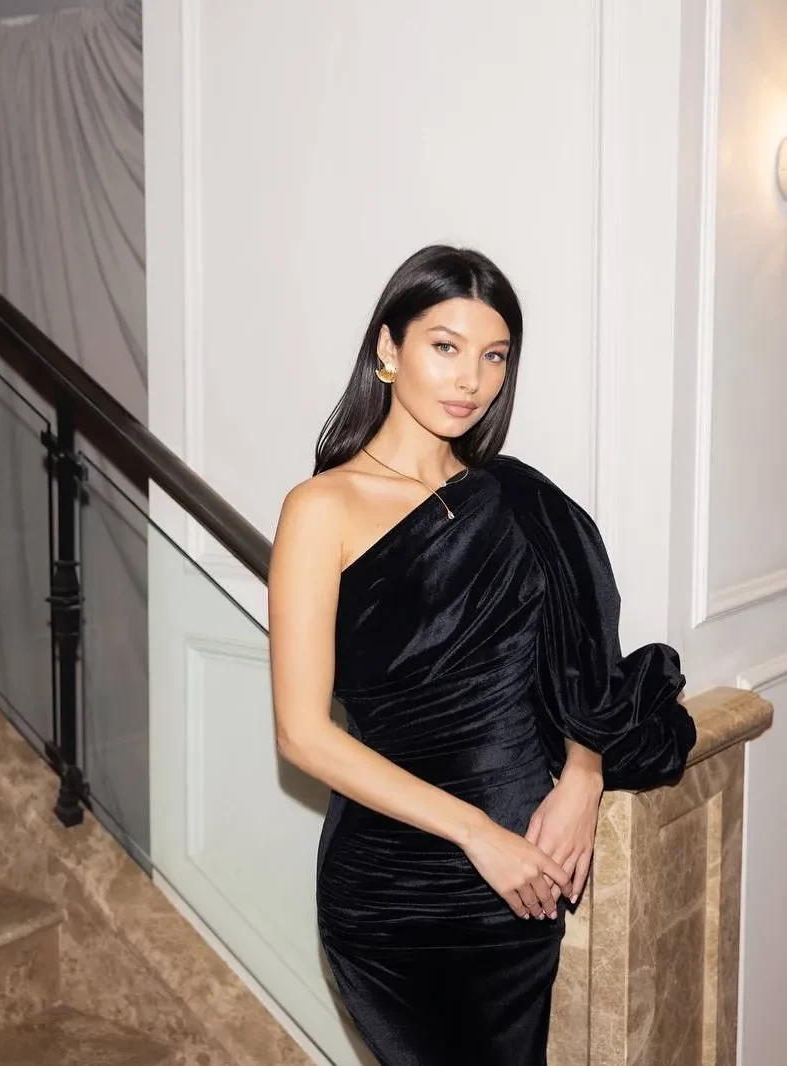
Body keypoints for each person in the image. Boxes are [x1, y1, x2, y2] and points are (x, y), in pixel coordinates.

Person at [267, 244, 697, 1066]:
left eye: (493, 356)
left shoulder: (521, 498)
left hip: (520, 891)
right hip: (397, 894)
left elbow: (576, 669)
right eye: (445, 346)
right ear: (388, 348)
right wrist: (476, 834)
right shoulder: (322, 507)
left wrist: (583, 774)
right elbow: (302, 735)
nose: (470, 378)